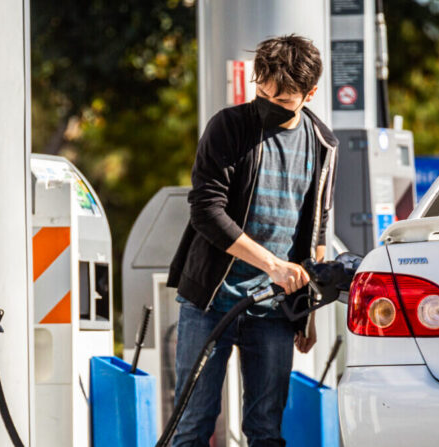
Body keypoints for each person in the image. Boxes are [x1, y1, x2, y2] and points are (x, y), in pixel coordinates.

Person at [166, 34, 339, 447]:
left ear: (310, 94)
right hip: (210, 301)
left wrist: (306, 310)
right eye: (262, 92)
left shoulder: (323, 145)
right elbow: (207, 210)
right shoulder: (228, 127)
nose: (268, 105)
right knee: (192, 427)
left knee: (266, 431)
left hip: (274, 310)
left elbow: (317, 229)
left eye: (282, 101)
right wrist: (273, 266)